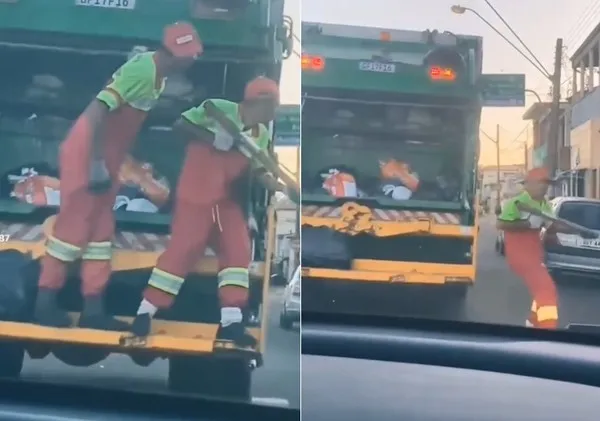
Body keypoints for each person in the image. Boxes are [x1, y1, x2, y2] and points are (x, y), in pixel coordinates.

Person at [34, 22, 203, 331]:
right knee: (72, 230)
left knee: (100, 234)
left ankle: (93, 310)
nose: (192, 61)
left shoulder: (157, 77)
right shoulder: (142, 72)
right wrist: (97, 162)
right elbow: (99, 111)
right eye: (189, 55)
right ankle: (44, 303)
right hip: (86, 155)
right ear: (174, 54)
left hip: (105, 157)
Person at [131, 77, 280, 346]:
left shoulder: (262, 134)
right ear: (255, 102)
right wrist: (213, 137)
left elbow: (259, 167)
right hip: (195, 195)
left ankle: (232, 322)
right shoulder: (218, 109)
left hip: (225, 201)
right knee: (185, 249)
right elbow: (180, 126)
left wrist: (274, 183)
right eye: (271, 105)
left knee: (238, 252)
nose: (274, 112)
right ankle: (145, 313)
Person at [496, 167, 564, 329]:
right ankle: (547, 330)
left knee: (541, 290)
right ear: (530, 185)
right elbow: (501, 224)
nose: (545, 187)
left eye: (546, 184)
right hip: (520, 255)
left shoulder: (544, 205)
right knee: (547, 291)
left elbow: (552, 225)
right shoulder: (517, 203)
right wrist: (527, 224)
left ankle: (532, 323)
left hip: (535, 255)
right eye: (541, 183)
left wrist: (580, 232)